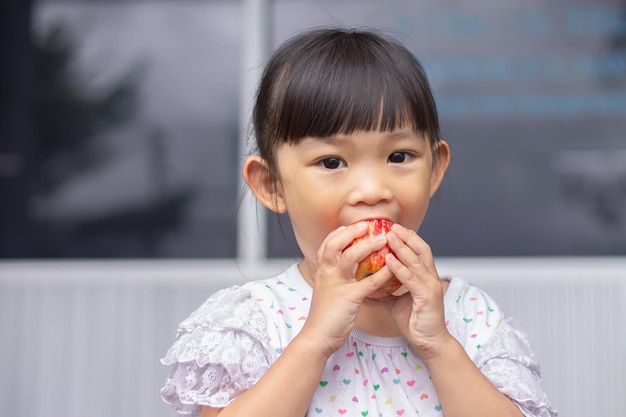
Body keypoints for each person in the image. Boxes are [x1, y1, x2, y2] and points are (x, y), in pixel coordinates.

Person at [160, 28, 557, 417]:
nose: (372, 190)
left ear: (435, 169)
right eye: (331, 162)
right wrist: (314, 341)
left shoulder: (469, 319)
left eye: (399, 156)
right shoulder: (254, 321)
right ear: (272, 186)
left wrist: (439, 345)